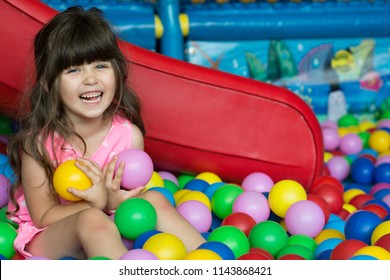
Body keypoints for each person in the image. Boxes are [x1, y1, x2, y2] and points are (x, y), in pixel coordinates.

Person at [7, 6, 205, 260]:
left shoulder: (128, 135)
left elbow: (126, 200)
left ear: (117, 71)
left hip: (110, 226)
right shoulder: (39, 144)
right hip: (51, 237)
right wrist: (96, 203)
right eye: (73, 70)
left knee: (153, 199)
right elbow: (43, 215)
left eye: (100, 66)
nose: (90, 79)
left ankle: (213, 263)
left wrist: (112, 201)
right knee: (91, 219)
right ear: (48, 83)